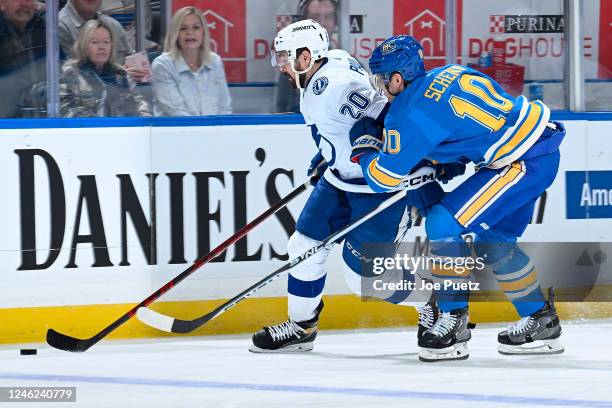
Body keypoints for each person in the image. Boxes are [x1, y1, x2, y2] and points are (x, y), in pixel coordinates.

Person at [350, 35, 565, 361]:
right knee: (497, 242)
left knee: (441, 223)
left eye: (381, 79)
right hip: (540, 146)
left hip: (521, 162)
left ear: (397, 79)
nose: (379, 88)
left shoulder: (406, 113)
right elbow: (478, 122)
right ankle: (540, 320)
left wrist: (364, 147)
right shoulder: (450, 72)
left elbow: (382, 178)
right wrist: (450, 160)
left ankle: (453, 320)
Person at [250, 20, 458, 353]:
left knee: (364, 278)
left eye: (286, 57)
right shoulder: (330, 63)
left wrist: (419, 161)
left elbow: (386, 115)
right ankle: (302, 327)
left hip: (378, 188)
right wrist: (330, 154)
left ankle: (431, 298)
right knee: (303, 245)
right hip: (339, 181)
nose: (282, 66)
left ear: (305, 56)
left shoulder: (336, 86)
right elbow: (343, 125)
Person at [59, 19, 151, 117]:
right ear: (83, 46)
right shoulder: (69, 74)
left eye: (106, 42)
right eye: (95, 42)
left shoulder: (121, 75)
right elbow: (68, 115)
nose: (102, 47)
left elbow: (142, 107)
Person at [150, 6, 232, 116]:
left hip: (214, 131)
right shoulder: (163, 65)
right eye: (183, 28)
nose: (190, 33)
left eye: (196, 27)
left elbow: (225, 108)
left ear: (203, 32)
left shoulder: (215, 61)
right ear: (176, 34)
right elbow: (177, 113)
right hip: (177, 131)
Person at [273, 0, 338, 113]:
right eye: (315, 17)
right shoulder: (291, 67)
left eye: (328, 17)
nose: (322, 23)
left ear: (335, 22)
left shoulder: (348, 63)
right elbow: (282, 116)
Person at [0, 0, 46, 118]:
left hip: (40, 116)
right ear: (2, 3)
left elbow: (60, 68)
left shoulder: (42, 27)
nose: (24, 3)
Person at [59, 0, 133, 64]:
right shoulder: (57, 28)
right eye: (94, 42)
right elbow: (70, 76)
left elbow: (132, 62)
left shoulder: (113, 25)